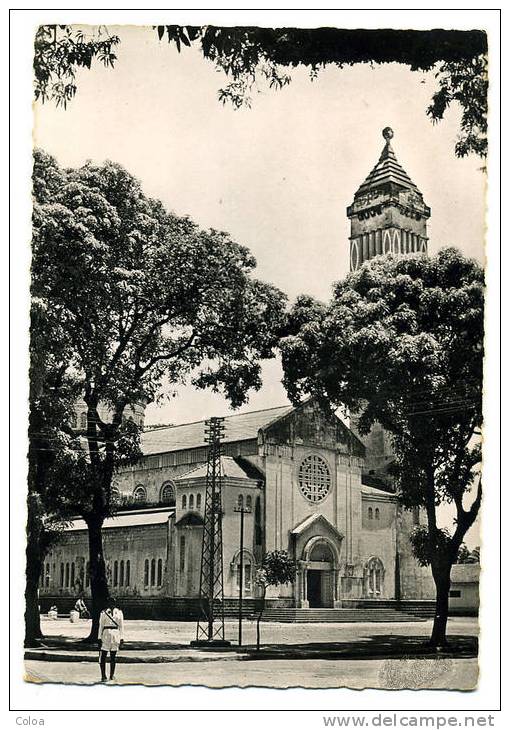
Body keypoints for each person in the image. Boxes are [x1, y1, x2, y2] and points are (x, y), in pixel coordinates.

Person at [98, 596, 124, 682]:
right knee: (103, 656)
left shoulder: (119, 613)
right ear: (108, 603)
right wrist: (99, 638)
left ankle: (112, 675)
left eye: (113, 602)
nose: (112, 604)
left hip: (115, 635)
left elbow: (121, 626)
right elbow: (101, 626)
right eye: (110, 602)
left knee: (113, 657)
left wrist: (122, 637)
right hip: (106, 635)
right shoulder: (104, 613)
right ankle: (103, 675)